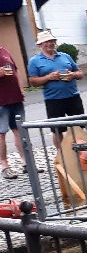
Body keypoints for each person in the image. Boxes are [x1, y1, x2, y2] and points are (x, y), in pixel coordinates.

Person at [27, 30, 84, 148]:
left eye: (52, 41)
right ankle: (61, 154)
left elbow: (80, 73)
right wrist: (48, 77)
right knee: (57, 130)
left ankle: (81, 152)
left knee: (79, 127)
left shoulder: (65, 56)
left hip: (73, 96)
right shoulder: (34, 61)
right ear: (40, 45)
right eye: (46, 41)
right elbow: (33, 82)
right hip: (53, 100)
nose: (50, 43)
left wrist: (72, 75)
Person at [0, 44, 38, 179]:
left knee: (20, 131)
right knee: (1, 134)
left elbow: (16, 70)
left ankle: (26, 163)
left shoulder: (4, 50)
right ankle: (4, 166)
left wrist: (21, 88)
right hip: (1, 101)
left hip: (15, 98)